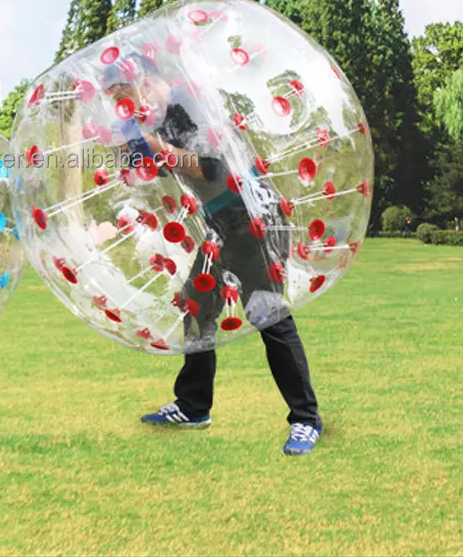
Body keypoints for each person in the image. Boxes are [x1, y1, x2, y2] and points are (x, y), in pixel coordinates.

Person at [103, 52, 322, 456]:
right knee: (198, 305)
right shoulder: (162, 119)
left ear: (143, 81)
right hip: (221, 224)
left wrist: (155, 146)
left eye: (124, 95)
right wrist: (137, 151)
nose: (125, 106)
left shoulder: (191, 105)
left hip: (255, 218)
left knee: (267, 312)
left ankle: (306, 420)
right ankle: (193, 406)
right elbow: (164, 173)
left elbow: (212, 168)